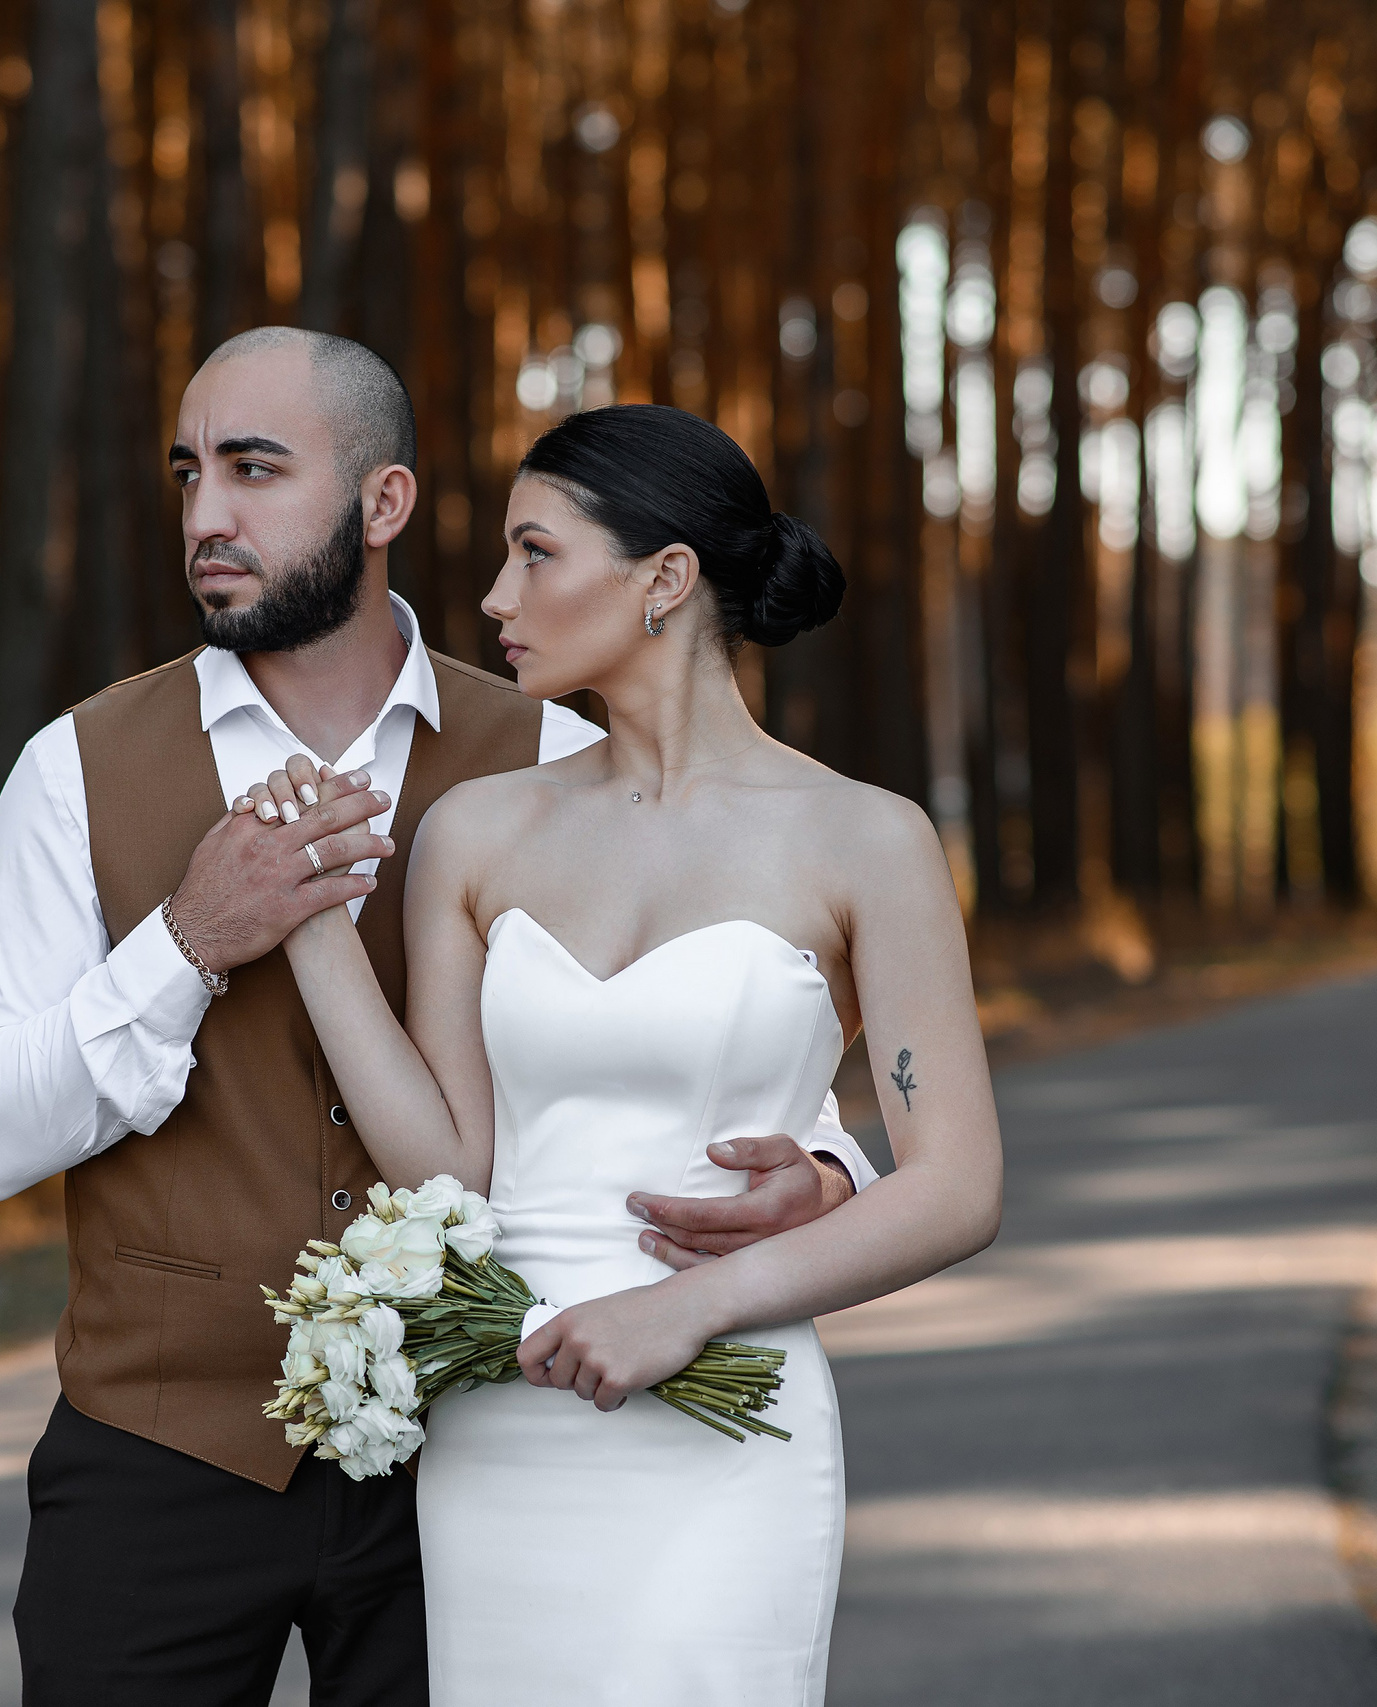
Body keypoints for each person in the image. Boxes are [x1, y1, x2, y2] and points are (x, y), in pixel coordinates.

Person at [0, 330, 880, 1706]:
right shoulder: (73, 770)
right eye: (189, 474)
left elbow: (727, 1031)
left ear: (384, 504)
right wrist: (190, 941)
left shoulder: (559, 746)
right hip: (160, 1454)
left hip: (485, 1450)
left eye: (256, 471)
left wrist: (828, 1172)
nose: (206, 516)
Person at [230, 403, 1003, 1705]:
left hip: (732, 1402)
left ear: (666, 579)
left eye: (535, 553)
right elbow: (451, 1171)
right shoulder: (475, 831)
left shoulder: (867, 840)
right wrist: (308, 934)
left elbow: (957, 1187)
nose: (491, 595)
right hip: (506, 1415)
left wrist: (686, 1307)